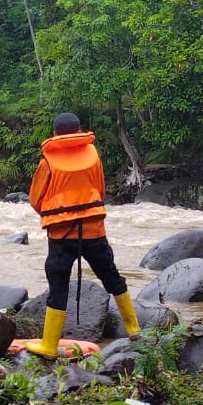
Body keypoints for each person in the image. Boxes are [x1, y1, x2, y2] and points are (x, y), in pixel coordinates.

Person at [26, 112, 140, 358]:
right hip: (93, 230)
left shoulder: (47, 160)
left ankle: (49, 345)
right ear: (79, 131)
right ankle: (134, 330)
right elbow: (99, 189)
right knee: (111, 276)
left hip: (61, 234)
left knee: (58, 285)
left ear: (55, 134)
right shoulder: (92, 155)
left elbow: (35, 199)